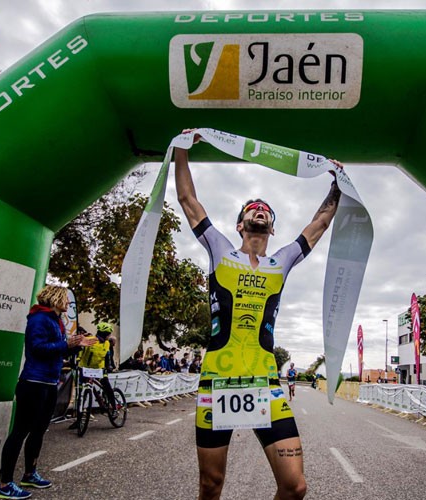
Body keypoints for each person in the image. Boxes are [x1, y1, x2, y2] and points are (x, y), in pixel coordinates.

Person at [175, 129, 342, 500]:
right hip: (218, 381)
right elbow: (188, 199)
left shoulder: (281, 260)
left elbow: (318, 226)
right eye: (252, 207)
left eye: (266, 208)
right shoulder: (219, 248)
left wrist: (337, 185)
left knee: (294, 486)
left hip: (265, 384)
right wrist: (183, 149)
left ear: (272, 226)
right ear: (240, 224)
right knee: (211, 485)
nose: (260, 208)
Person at [0, 285, 97, 500]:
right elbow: (38, 348)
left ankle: (30, 474)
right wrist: (66, 342)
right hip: (33, 381)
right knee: (20, 431)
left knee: (39, 430)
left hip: (50, 382)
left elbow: (59, 348)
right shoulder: (39, 319)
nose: (68, 304)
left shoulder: (55, 320)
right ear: (55, 299)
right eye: (66, 300)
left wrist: (77, 345)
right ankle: (4, 484)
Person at [77, 322, 118, 418]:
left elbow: (107, 356)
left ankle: (114, 408)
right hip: (85, 368)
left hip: (99, 368)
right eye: (109, 334)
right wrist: (77, 362)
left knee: (107, 387)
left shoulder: (107, 343)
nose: (109, 336)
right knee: (81, 393)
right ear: (106, 334)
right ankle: (79, 417)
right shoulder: (89, 340)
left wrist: (108, 367)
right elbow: (80, 353)